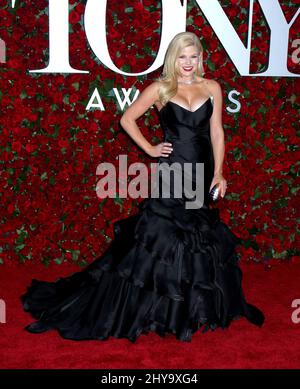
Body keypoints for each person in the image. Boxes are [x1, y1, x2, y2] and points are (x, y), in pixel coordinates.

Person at [21, 32, 264, 343]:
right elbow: (127, 119)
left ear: (200, 58)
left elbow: (216, 132)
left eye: (193, 56)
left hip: (200, 174)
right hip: (172, 171)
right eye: (181, 56)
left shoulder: (212, 88)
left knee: (194, 237)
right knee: (160, 237)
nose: (187, 63)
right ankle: (150, 308)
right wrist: (149, 149)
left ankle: (187, 310)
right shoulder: (160, 89)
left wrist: (219, 172)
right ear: (173, 58)